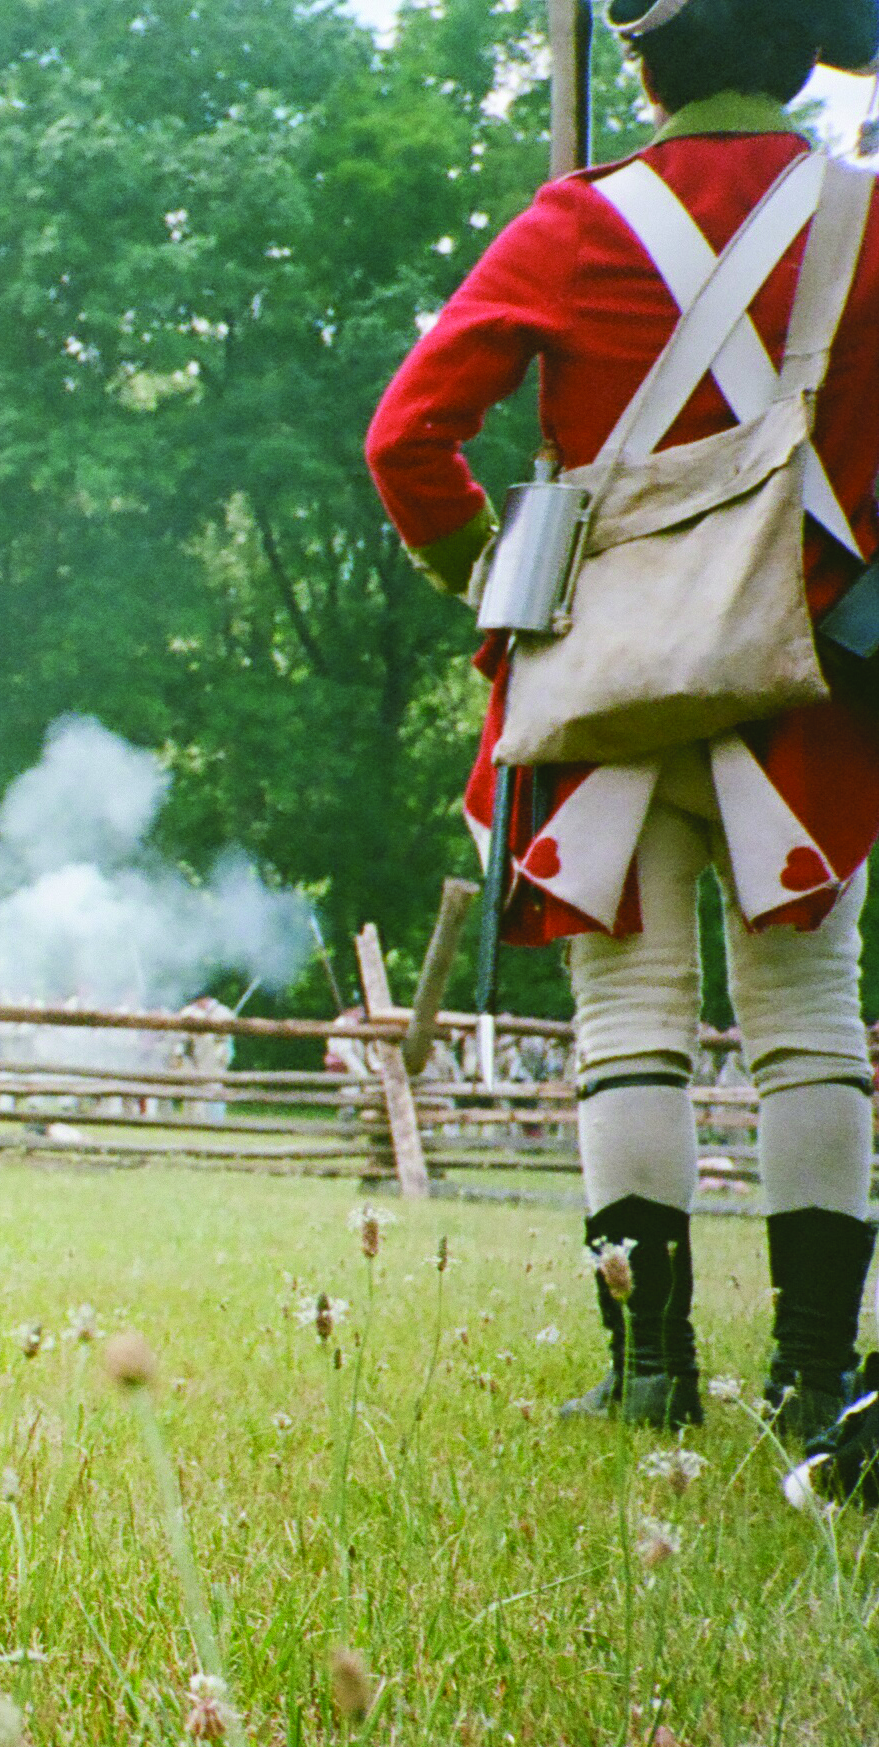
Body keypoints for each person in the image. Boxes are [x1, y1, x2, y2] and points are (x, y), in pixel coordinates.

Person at [367, 0, 879, 1490]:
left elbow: (410, 438)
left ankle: (649, 1372)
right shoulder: (862, 219)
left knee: (626, 1017)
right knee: (808, 1019)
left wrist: (483, 568)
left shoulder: (574, 222)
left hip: (603, 675)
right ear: (794, 57)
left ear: (643, 64)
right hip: (809, 676)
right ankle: (809, 1372)